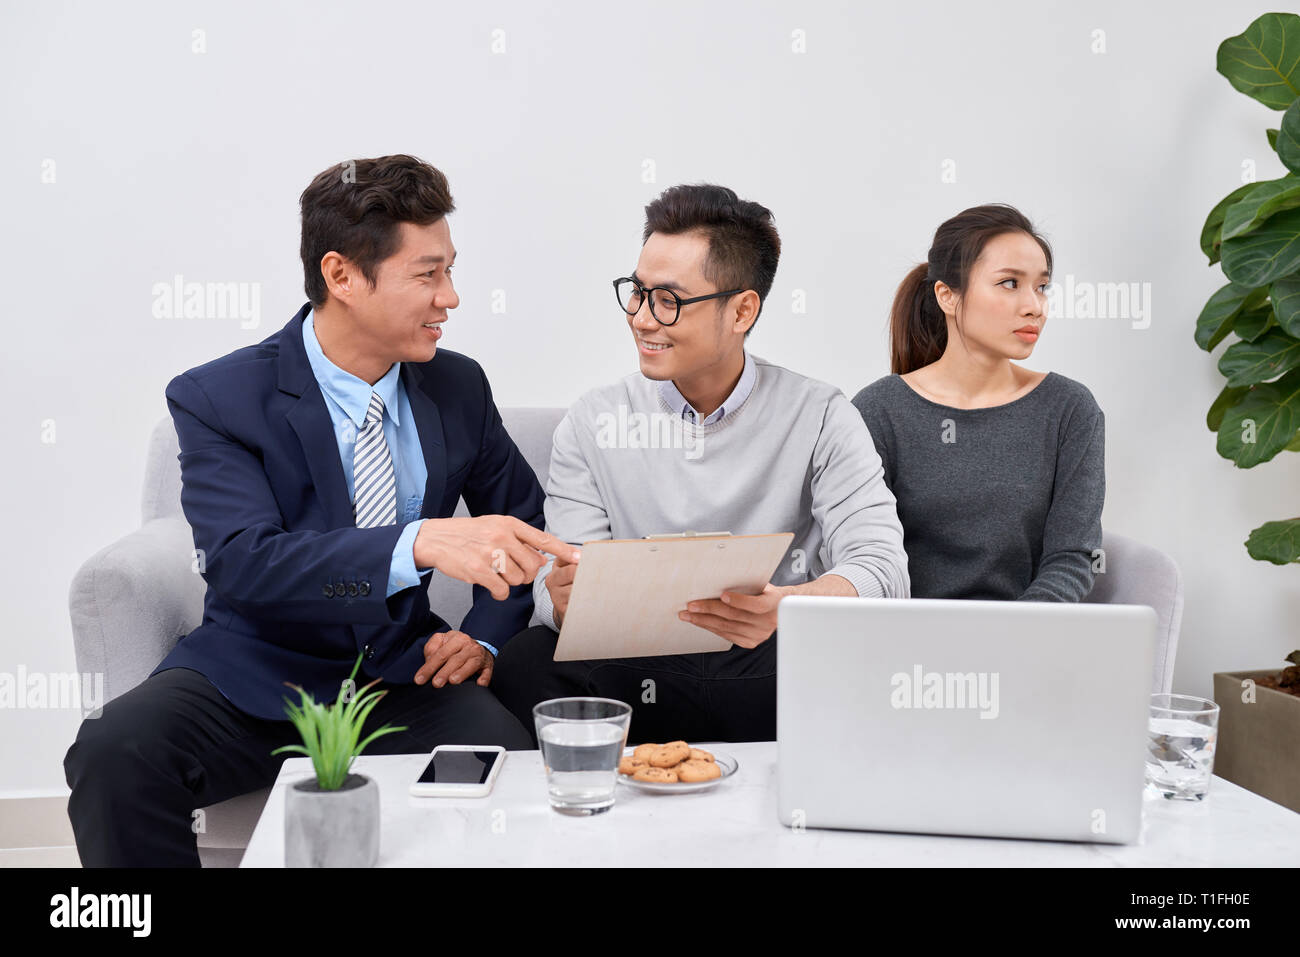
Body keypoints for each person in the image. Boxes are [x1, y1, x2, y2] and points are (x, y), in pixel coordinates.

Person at [63, 154, 578, 866]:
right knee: (114, 752)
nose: (450, 297)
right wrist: (417, 543)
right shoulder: (220, 398)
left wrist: (485, 636)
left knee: (511, 763)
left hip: (401, 677)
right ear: (341, 275)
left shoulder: (457, 386)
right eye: (427, 274)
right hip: (253, 676)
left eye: (450, 270)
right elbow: (246, 561)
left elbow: (523, 525)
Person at [492, 184, 909, 744]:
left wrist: (787, 606)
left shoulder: (821, 414)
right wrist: (562, 600)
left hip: (767, 662)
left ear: (742, 310)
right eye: (636, 293)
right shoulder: (594, 421)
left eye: (668, 300)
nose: (642, 319)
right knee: (526, 663)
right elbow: (558, 581)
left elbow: (883, 570)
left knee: (861, 658)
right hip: (637, 667)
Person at [851, 204, 1105, 602]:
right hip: (908, 648)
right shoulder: (879, 411)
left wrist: (1005, 640)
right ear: (947, 296)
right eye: (1009, 283)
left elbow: (1073, 557)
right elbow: (865, 555)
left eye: (1042, 287)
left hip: (1026, 642)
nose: (1034, 306)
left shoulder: (1070, 409)